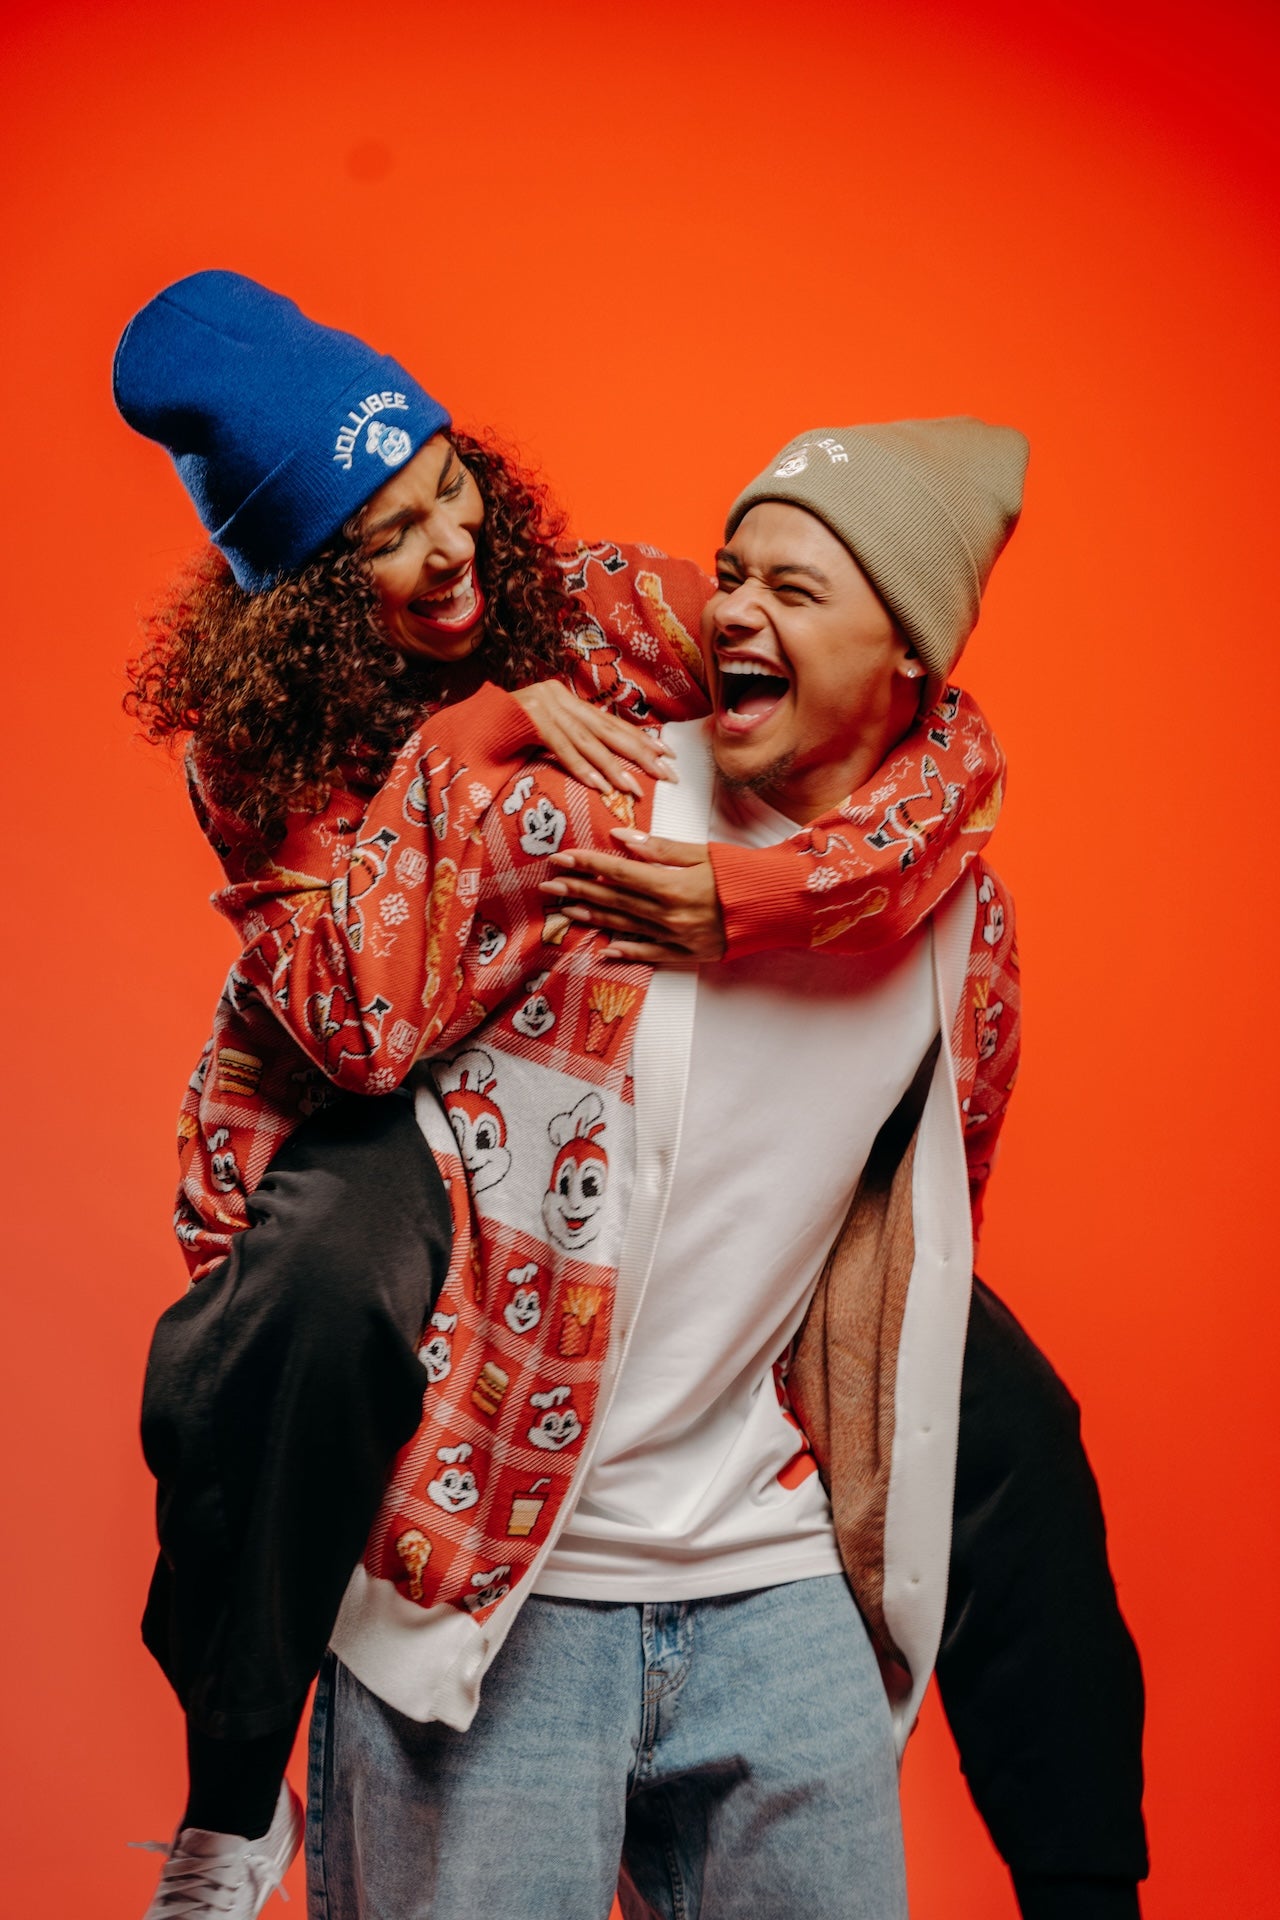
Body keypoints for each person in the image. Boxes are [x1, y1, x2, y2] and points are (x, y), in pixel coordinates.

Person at [113, 275, 1145, 1918]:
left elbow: (937, 734)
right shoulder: (261, 754)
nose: (449, 549)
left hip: (668, 1283)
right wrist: (466, 746)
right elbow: (354, 1022)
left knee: (998, 1407)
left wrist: (762, 901)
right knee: (313, 1301)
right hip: (373, 1099)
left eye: (450, 486)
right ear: (302, 593)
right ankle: (232, 1800)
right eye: (385, 537)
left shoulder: (598, 610)